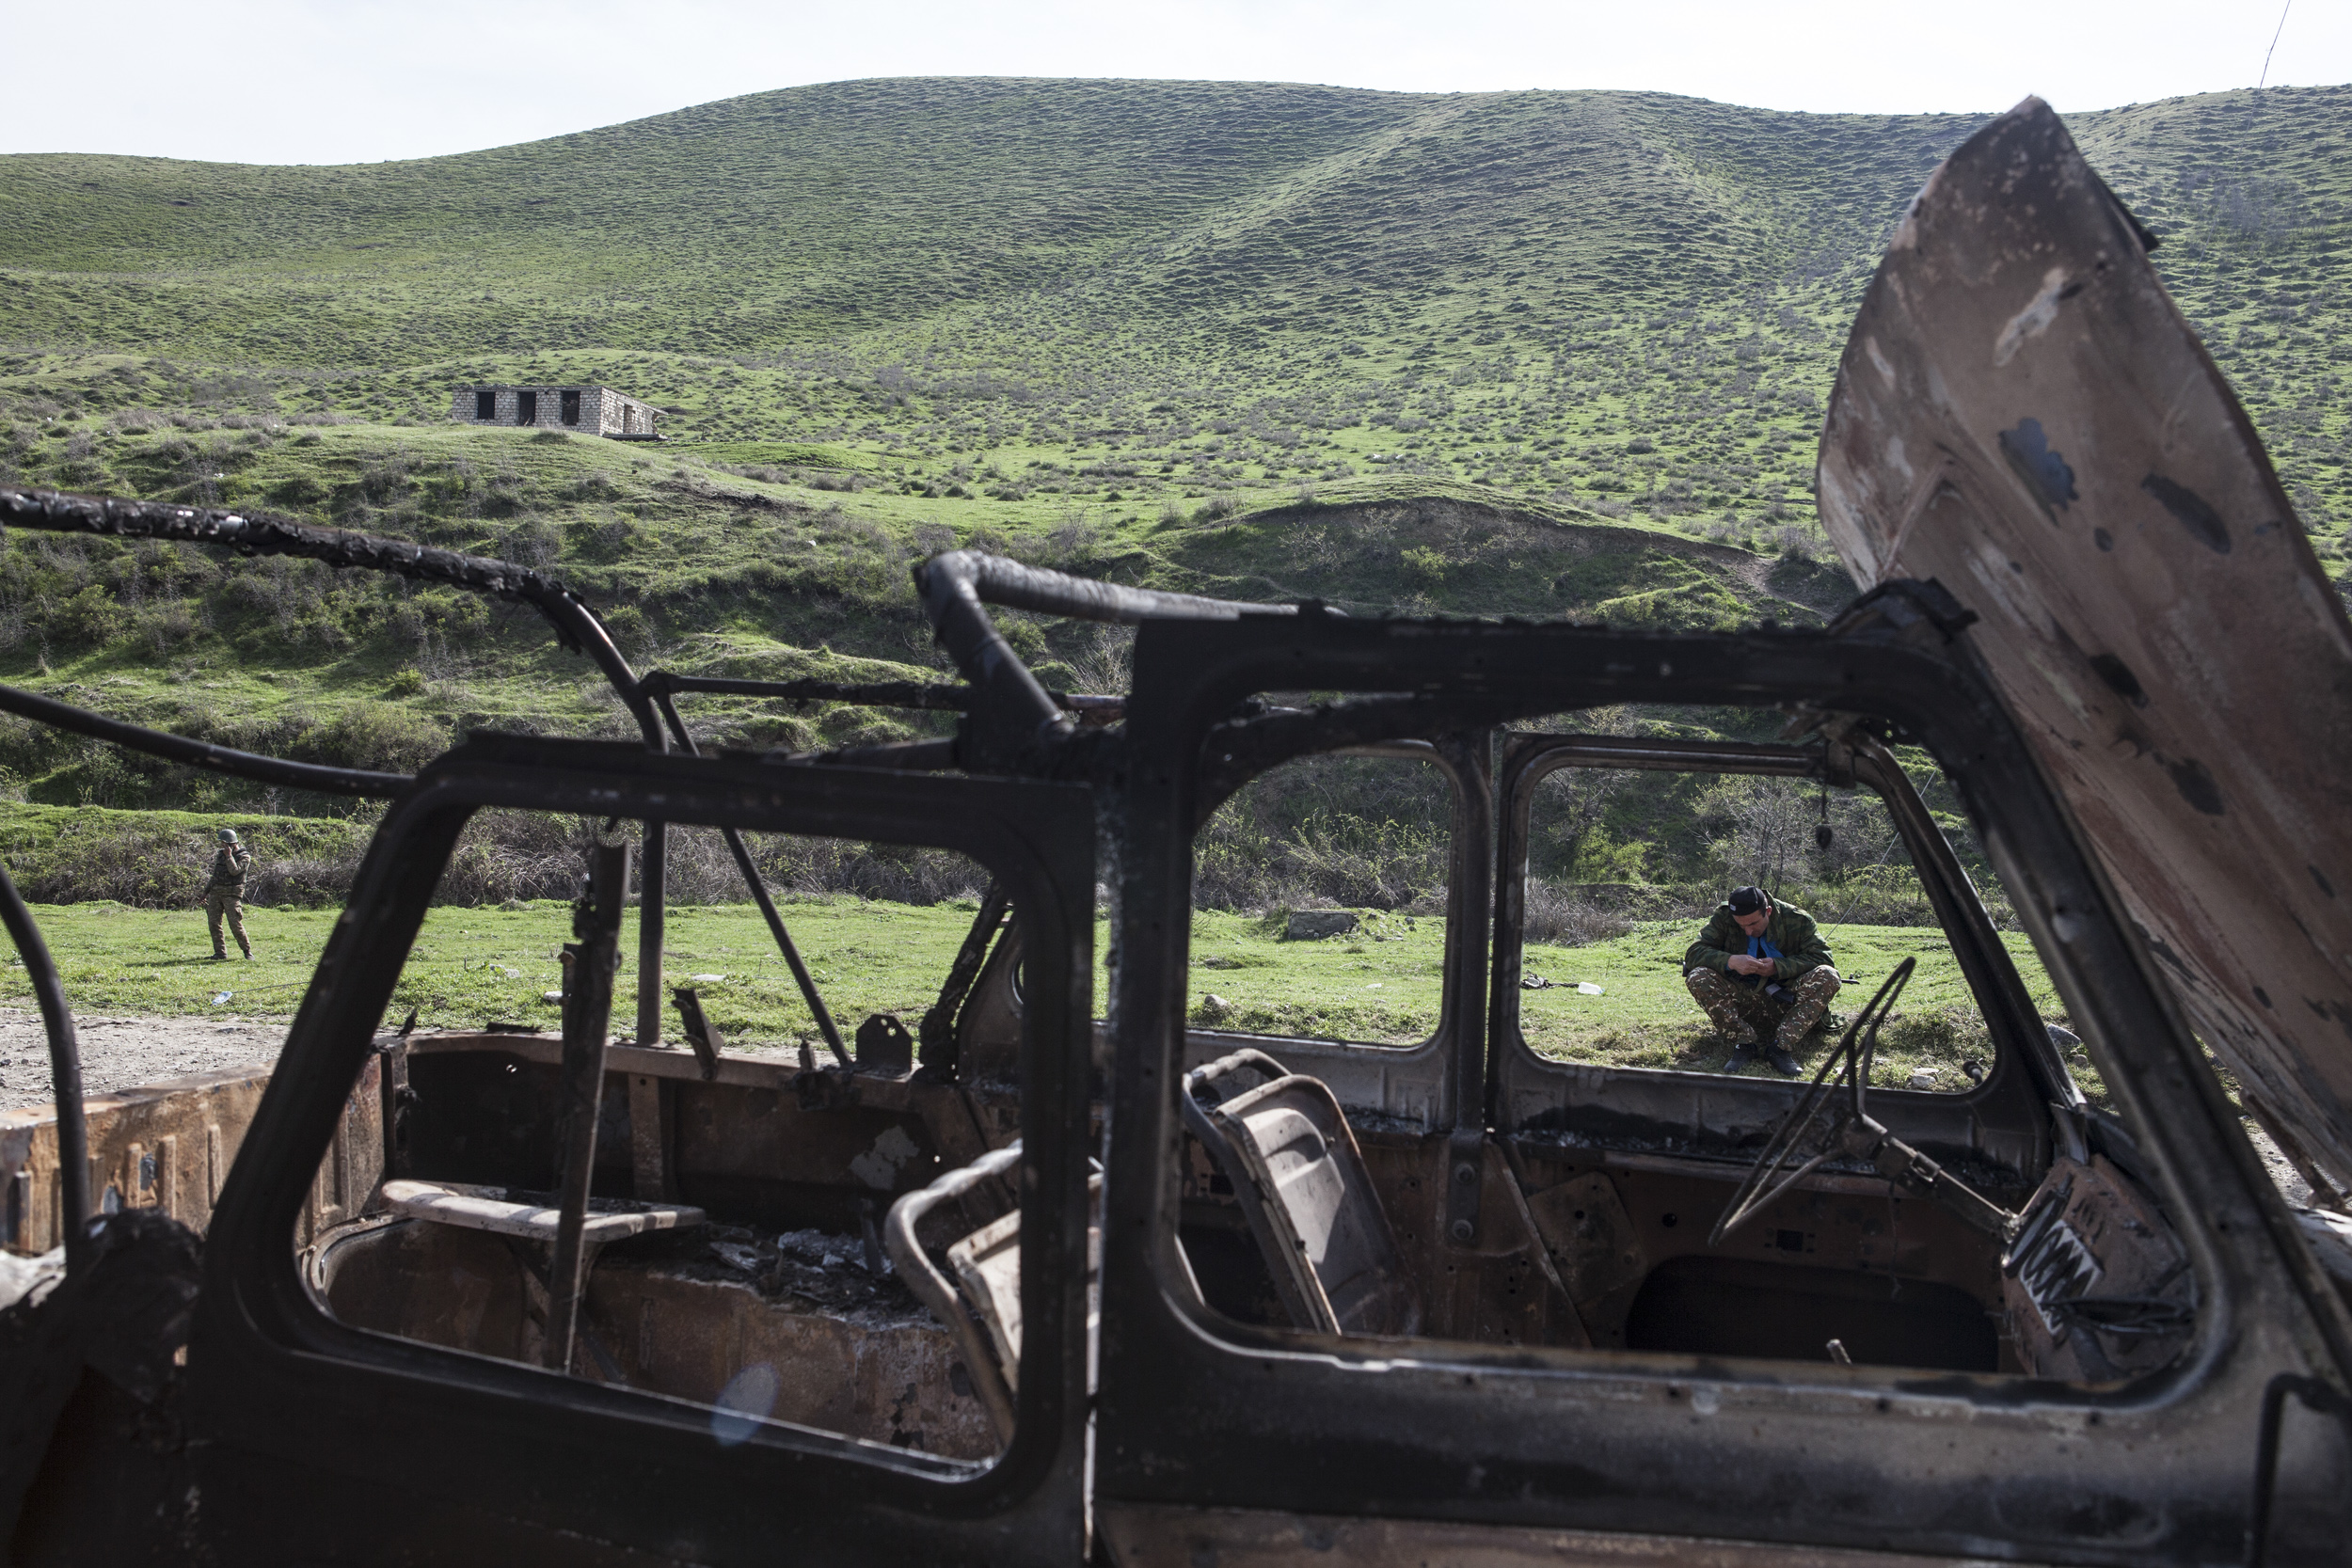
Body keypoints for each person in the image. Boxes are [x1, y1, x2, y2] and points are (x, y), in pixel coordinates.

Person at [1683, 884, 1839, 1076]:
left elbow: (1823, 958)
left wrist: (1778, 966)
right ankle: (1745, 1042)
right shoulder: (1723, 917)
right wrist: (1730, 961)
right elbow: (1693, 953)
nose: (1748, 931)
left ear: (1768, 911)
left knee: (1828, 975)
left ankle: (1781, 1047)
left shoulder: (1796, 919)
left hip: (1787, 1000)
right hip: (1742, 999)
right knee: (1697, 976)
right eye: (1741, 926)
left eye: (1753, 924)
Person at [205, 827, 253, 961]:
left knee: (235, 924)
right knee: (214, 924)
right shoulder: (221, 855)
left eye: (224, 843)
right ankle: (220, 953)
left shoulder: (244, 857)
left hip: (232, 895)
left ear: (231, 844)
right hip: (216, 893)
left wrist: (229, 856)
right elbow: (215, 875)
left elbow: (234, 871)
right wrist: (205, 892)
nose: (222, 846)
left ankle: (247, 951)